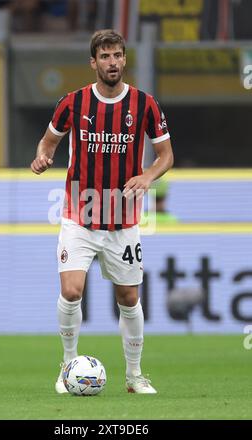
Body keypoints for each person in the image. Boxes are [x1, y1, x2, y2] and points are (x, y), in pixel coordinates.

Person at [31, 29, 174, 394]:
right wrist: (43, 156)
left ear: (125, 59)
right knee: (72, 290)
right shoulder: (73, 103)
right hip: (79, 213)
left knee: (128, 297)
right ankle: (67, 367)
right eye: (106, 56)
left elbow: (165, 156)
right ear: (93, 62)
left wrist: (146, 176)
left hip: (122, 218)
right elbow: (49, 141)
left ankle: (134, 376)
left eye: (118, 55)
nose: (113, 62)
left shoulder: (145, 104)